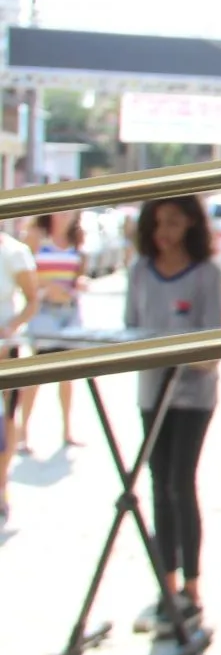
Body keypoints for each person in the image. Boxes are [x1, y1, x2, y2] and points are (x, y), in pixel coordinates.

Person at [124, 196, 221, 637]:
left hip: (193, 395)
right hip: (152, 391)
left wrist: (190, 356)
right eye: (157, 223)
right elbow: (129, 328)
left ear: (190, 225)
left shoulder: (207, 274)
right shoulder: (138, 271)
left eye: (174, 222)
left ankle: (192, 586)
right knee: (157, 484)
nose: (165, 232)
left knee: (181, 482)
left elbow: (213, 339)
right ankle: (165, 584)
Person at [20, 211, 87, 452]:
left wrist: (79, 283)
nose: (63, 215)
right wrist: (47, 287)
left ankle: (67, 430)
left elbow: (79, 271)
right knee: (37, 371)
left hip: (69, 309)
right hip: (44, 310)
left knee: (68, 373)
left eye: (68, 211)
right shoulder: (38, 236)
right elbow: (24, 273)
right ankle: (22, 433)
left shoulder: (77, 237)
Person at [0, 230, 38, 525]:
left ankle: (2, 485)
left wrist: (10, 328)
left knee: (6, 419)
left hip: (4, 348)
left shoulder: (14, 252)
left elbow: (31, 301)